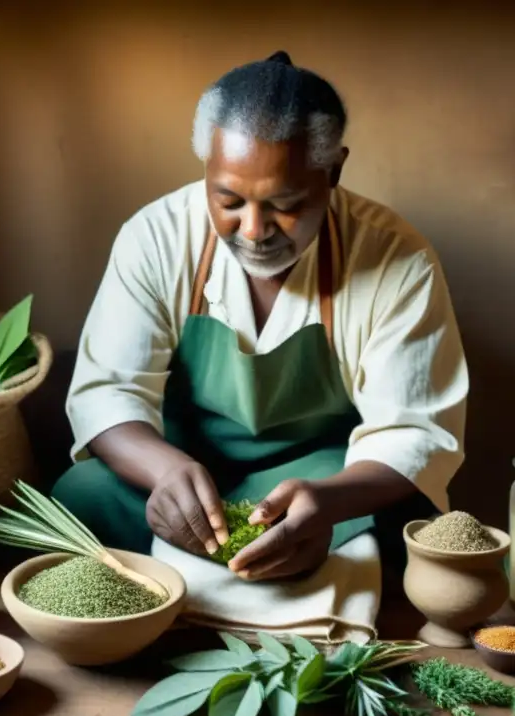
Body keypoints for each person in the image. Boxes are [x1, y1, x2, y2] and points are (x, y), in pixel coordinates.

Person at [52, 51, 468, 582]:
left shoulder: (395, 259)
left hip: (320, 478)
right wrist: (166, 471)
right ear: (205, 168)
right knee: (80, 495)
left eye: (283, 203)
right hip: (184, 465)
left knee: (407, 522)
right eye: (228, 200)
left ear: (333, 170)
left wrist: (329, 501)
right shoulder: (156, 237)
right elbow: (106, 391)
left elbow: (415, 429)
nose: (253, 229)